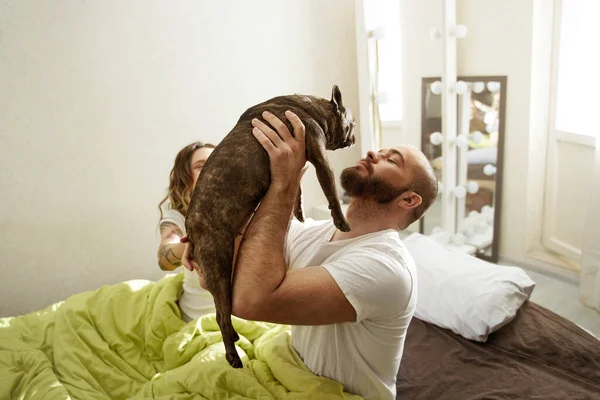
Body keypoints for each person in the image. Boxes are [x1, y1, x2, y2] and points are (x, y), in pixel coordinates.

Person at [182, 110, 438, 400]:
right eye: (380, 150)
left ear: (408, 199)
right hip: (292, 372)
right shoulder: (311, 231)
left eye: (391, 159)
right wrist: (210, 236)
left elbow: (248, 301)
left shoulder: (387, 268)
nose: (371, 153)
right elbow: (228, 279)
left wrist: (285, 183)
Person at [156, 141, 218, 321]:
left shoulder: (250, 210)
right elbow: (164, 259)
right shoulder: (178, 216)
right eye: (201, 166)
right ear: (186, 179)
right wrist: (195, 242)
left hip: (249, 315)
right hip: (199, 320)